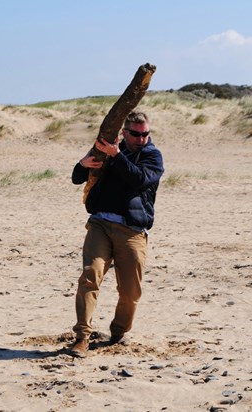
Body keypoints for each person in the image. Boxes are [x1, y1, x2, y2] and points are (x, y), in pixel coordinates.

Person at [69, 111, 164, 357]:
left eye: (145, 134)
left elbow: (139, 179)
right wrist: (82, 165)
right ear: (124, 133)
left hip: (132, 230)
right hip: (100, 223)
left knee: (130, 290)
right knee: (90, 276)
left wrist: (117, 156)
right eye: (136, 134)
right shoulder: (110, 150)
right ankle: (82, 336)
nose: (142, 139)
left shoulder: (152, 156)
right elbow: (77, 178)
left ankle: (119, 332)